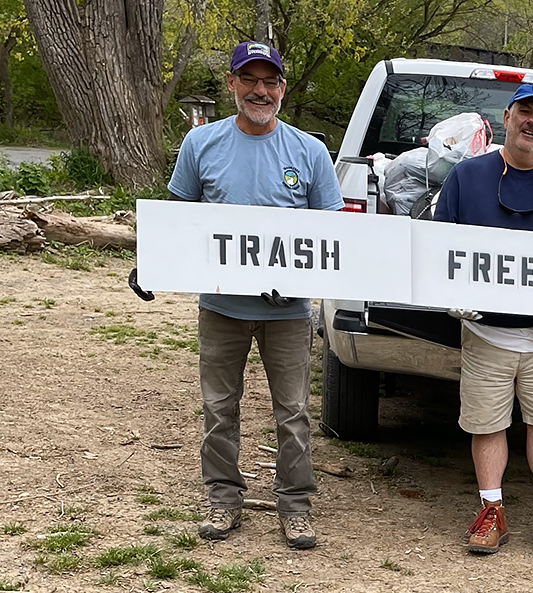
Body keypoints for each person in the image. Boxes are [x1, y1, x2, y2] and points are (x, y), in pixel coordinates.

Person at [129, 41, 343, 550]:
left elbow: (332, 234)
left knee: (292, 411)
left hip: (287, 311)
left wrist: (301, 278)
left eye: (270, 82)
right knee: (218, 407)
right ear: (231, 85)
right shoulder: (201, 146)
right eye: (249, 80)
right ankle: (223, 499)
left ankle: (295, 506)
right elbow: (179, 219)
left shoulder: (309, 153)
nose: (259, 90)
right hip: (221, 307)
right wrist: (152, 260)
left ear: (283, 90)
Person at [432, 83, 533, 560]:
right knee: (487, 424)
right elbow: (440, 250)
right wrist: (449, 296)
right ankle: (491, 511)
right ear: (506, 116)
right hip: (485, 334)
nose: (532, 122)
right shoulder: (466, 177)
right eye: (525, 111)